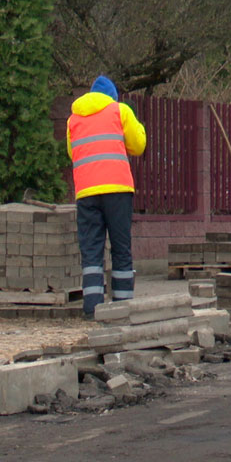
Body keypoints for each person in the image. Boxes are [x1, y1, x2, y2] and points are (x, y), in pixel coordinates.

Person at [67, 76, 147, 318]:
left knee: (91, 249)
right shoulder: (119, 111)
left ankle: (92, 307)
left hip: (86, 191)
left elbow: (73, 153)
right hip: (117, 189)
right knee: (121, 247)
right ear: (112, 96)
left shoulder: (74, 118)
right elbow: (138, 144)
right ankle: (122, 306)